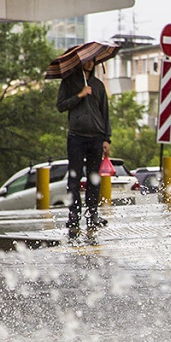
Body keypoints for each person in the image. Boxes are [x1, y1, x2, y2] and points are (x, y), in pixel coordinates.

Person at [56, 58, 111, 236]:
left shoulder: (98, 85)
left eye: (92, 61)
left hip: (96, 137)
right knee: (74, 177)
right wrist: (79, 95)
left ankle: (92, 214)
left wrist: (106, 139)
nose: (89, 64)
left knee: (94, 178)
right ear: (80, 63)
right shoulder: (69, 83)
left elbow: (105, 113)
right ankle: (73, 215)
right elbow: (61, 106)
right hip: (76, 137)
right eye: (86, 61)